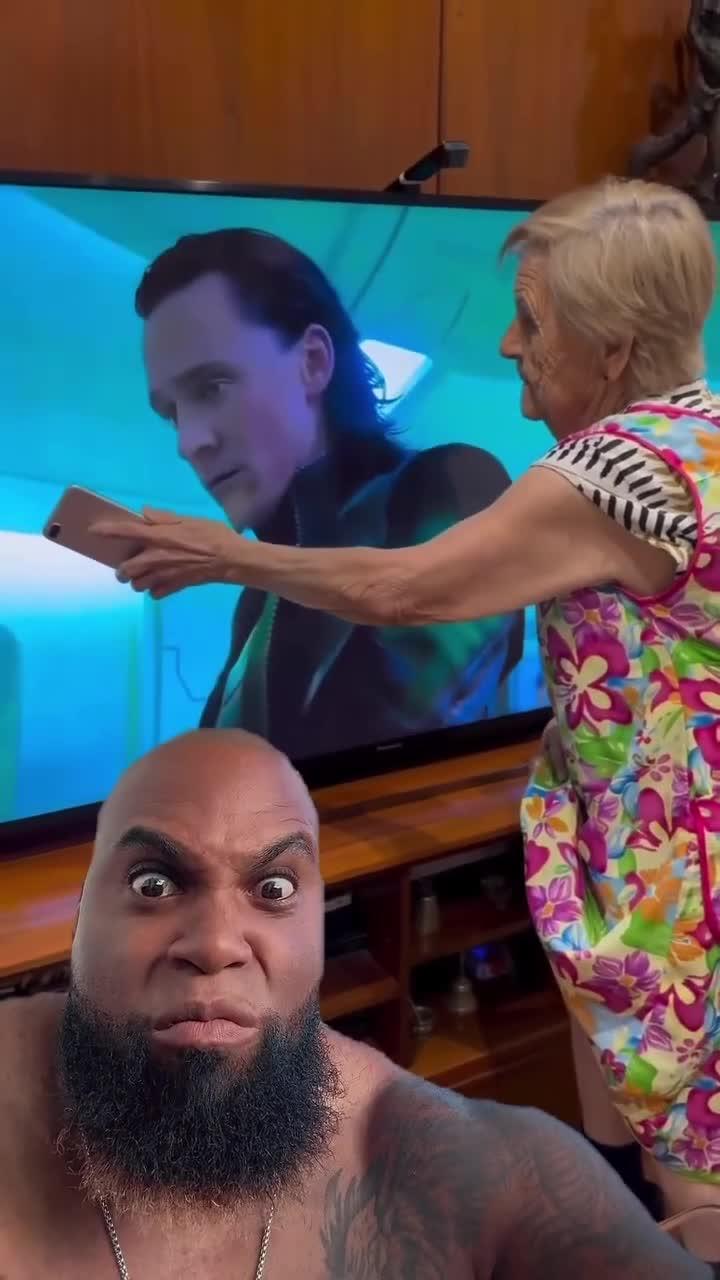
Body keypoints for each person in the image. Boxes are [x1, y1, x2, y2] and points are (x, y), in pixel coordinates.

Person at [96, 176, 720, 1262]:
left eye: (534, 319)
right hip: (665, 855)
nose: (511, 342)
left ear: (614, 345)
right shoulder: (704, 428)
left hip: (668, 887)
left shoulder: (611, 467)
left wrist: (220, 552)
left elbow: (408, 591)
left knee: (684, 1190)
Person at [0, 729, 706, 1277]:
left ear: (317, 930)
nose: (215, 944)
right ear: (81, 917)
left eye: (274, 889)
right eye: (153, 885)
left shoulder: (452, 1163)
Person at [131, 228, 524, 757]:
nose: (188, 441)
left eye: (211, 388)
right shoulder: (259, 601)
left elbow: (386, 747)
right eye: (171, 413)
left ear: (313, 361)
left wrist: (238, 560)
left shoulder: (455, 483)